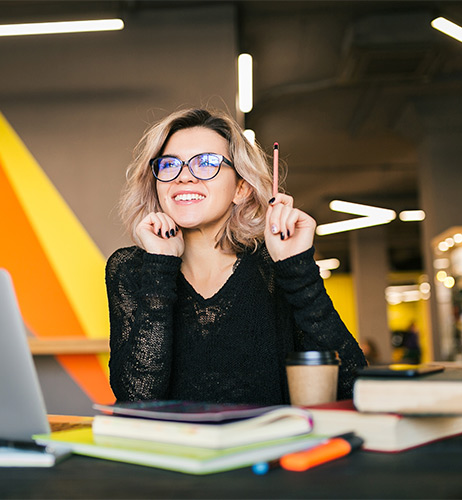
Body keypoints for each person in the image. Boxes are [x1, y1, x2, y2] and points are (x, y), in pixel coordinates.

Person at [106, 107, 366, 405]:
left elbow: (354, 387)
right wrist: (160, 266)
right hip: (172, 449)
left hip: (266, 449)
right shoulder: (130, 269)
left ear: (241, 188)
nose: (184, 177)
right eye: (169, 165)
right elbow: (136, 397)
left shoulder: (273, 267)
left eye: (206, 163)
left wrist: (298, 270)